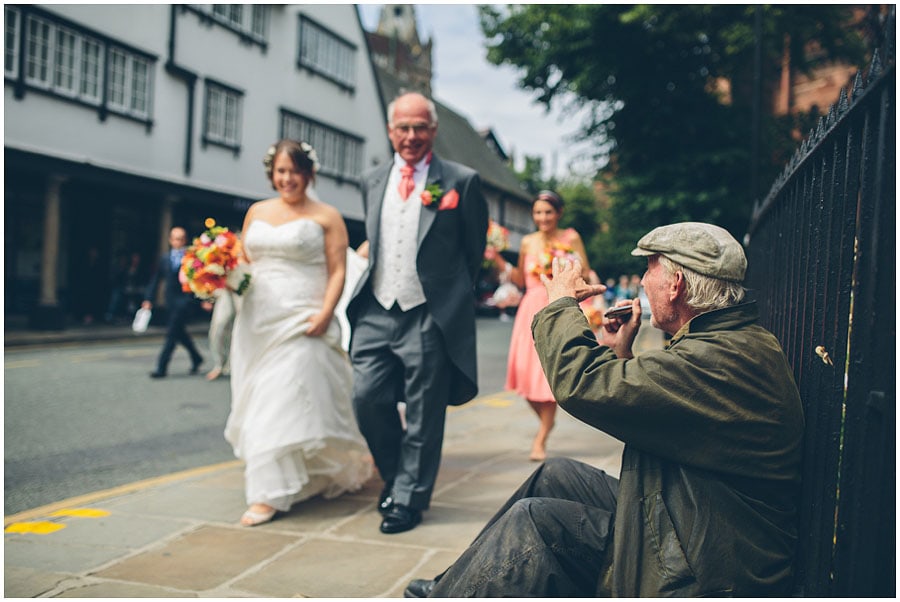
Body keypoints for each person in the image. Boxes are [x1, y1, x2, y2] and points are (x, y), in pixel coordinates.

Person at [404, 222, 804, 597]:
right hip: (691, 511)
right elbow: (660, 405)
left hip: (703, 564)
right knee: (557, 474)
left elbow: (582, 384)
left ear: (676, 284)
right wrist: (622, 354)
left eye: (649, 269)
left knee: (536, 522)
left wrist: (560, 303)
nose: (644, 281)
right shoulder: (726, 341)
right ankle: (453, 585)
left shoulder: (715, 359)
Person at [346, 92, 489, 534]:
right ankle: (395, 478)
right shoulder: (371, 179)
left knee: (426, 412)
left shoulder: (461, 181)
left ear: (433, 130)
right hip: (375, 306)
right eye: (402, 128)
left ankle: (408, 499)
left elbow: (473, 253)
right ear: (390, 131)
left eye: (420, 127)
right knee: (367, 397)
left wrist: (447, 301)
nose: (411, 136)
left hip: (428, 313)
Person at [224, 140, 372, 527]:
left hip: (305, 316)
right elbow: (244, 261)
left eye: (294, 171)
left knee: (283, 397)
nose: (286, 179)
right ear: (272, 174)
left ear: (308, 174)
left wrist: (326, 312)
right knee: (259, 397)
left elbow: (338, 268)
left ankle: (267, 493)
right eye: (280, 172)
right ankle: (306, 475)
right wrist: (219, 280)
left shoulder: (326, 215)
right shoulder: (257, 211)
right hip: (258, 318)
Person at [484, 190, 594, 462]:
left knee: (551, 374)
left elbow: (586, 272)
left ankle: (541, 437)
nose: (542, 217)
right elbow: (521, 279)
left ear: (558, 213)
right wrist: (497, 259)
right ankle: (546, 423)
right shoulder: (528, 242)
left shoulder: (571, 238)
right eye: (538, 212)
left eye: (548, 212)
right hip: (530, 309)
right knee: (524, 375)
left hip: (559, 305)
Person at [143, 227, 204, 378]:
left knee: (171, 334)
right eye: (175, 238)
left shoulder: (191, 258)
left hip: (185, 301)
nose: (178, 241)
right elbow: (156, 280)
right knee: (179, 333)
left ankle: (161, 367)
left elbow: (200, 279)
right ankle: (197, 358)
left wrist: (204, 300)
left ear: (185, 240)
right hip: (170, 300)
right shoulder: (165, 258)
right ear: (170, 240)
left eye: (181, 238)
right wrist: (148, 299)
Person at [201, 286, 240, 381]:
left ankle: (233, 363)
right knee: (219, 328)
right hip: (223, 290)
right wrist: (208, 298)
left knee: (239, 328)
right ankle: (220, 364)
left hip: (242, 289)